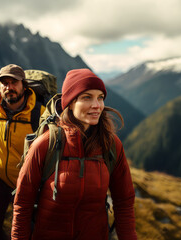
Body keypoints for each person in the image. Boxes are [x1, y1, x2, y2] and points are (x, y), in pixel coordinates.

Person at [12, 68, 137, 240]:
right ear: (70, 102)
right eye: (87, 97)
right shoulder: (45, 145)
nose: (97, 105)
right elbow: (23, 203)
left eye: (100, 97)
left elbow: (124, 202)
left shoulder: (111, 145)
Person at [0, 64, 45, 240]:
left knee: (25, 234)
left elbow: (50, 150)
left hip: (26, 184)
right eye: (4, 83)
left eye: (14, 82)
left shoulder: (39, 114)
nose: (9, 87)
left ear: (24, 85)